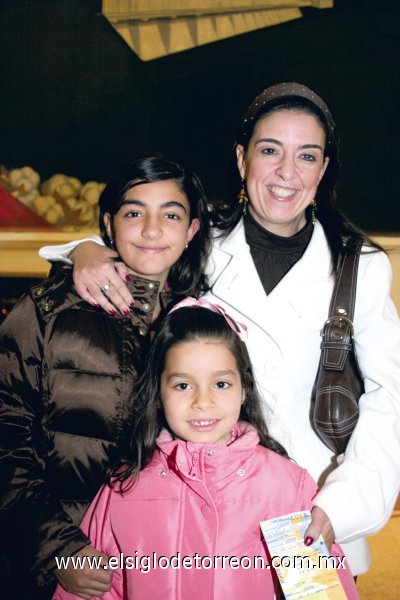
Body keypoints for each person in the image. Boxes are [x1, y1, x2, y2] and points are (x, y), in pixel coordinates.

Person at [39, 82, 400, 576]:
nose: (286, 173)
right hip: (193, 511)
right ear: (241, 157)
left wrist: (344, 504)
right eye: (269, 150)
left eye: (307, 156)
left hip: (304, 516)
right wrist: (84, 250)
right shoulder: (198, 238)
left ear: (325, 168)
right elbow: (142, 236)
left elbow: (391, 397)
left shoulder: (361, 266)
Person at [0, 153, 211, 599]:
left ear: (192, 230)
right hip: (54, 570)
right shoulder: (45, 312)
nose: (152, 230)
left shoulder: (203, 325)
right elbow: (6, 440)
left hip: (160, 567)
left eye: (170, 215)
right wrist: (57, 548)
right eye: (135, 213)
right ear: (109, 224)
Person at [52, 301, 359, 600]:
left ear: (243, 390)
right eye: (183, 385)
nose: (203, 401)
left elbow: (316, 592)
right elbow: (90, 586)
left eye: (221, 384)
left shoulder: (284, 487)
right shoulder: (124, 487)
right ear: (158, 394)